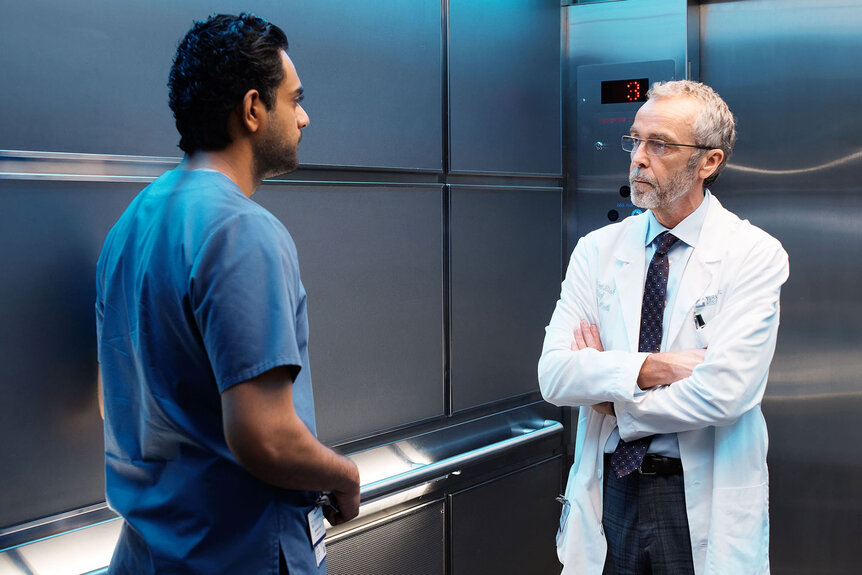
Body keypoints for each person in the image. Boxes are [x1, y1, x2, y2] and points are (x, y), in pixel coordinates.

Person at [95, 13, 360, 574]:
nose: (304, 117)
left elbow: (112, 399)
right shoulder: (243, 231)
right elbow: (264, 437)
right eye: (294, 100)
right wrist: (344, 474)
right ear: (252, 110)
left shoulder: (130, 227)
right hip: (238, 555)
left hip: (149, 555)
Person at [539, 80, 788, 574]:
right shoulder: (597, 249)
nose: (638, 158)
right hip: (611, 490)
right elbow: (556, 375)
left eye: (661, 144)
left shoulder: (754, 254)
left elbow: (726, 393)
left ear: (709, 162)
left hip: (696, 494)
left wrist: (614, 400)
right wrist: (657, 367)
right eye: (635, 140)